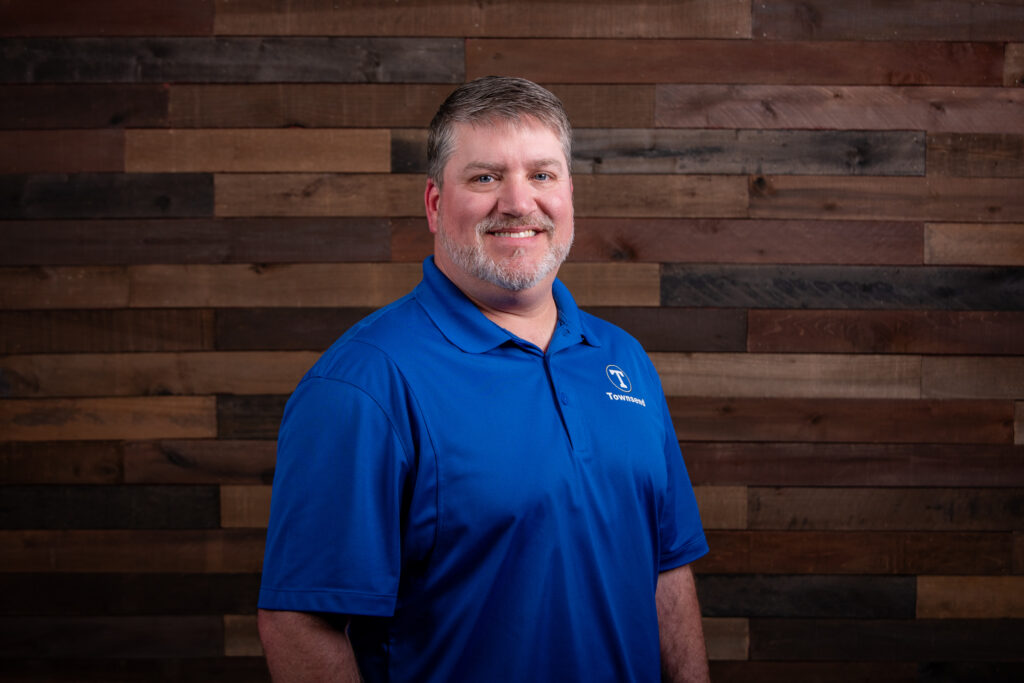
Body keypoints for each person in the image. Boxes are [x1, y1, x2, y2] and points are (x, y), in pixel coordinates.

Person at [257, 76, 710, 682]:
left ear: (569, 193)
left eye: (542, 175)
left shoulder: (623, 360)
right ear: (435, 203)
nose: (519, 203)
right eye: (485, 177)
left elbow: (666, 566)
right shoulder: (362, 386)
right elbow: (299, 623)